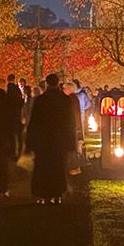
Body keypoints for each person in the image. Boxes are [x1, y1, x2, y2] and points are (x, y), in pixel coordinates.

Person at [25, 72, 80, 203]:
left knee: (43, 167)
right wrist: (71, 141)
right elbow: (71, 122)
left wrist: (30, 141)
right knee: (59, 167)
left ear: (47, 84)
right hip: (60, 140)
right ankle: (58, 193)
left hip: (44, 140)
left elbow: (34, 122)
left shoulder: (41, 100)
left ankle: (44, 193)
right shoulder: (65, 100)